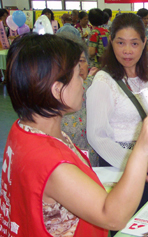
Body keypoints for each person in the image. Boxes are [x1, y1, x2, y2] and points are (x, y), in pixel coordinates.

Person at [0, 33, 148, 237]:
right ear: (57, 90)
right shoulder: (48, 160)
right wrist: (142, 148)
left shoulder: (26, 130)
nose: (83, 82)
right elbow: (112, 215)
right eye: (77, 76)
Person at [86, 13, 148, 210]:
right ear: (111, 42)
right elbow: (97, 136)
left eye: (134, 44)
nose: (127, 51)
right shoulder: (104, 81)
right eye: (120, 43)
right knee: (125, 224)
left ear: (145, 42)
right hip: (119, 165)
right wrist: (133, 162)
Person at [58, 32, 99, 167]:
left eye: (81, 61)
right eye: (71, 62)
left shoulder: (98, 87)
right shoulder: (56, 99)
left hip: (93, 165)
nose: (78, 67)